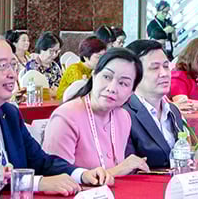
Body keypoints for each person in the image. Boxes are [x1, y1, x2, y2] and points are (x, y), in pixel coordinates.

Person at [0, 35, 109, 195]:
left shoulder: (9, 112)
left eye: (13, 65)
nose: (13, 75)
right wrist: (37, 183)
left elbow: (40, 161)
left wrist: (81, 174)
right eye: (2, 66)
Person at [42, 49, 150, 177]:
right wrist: (118, 170)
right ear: (93, 76)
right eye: (106, 77)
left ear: (131, 92)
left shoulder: (123, 117)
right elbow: (56, 178)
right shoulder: (66, 117)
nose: (112, 88)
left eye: (123, 83)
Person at [123, 39, 185, 168]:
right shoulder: (124, 114)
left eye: (166, 66)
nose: (164, 74)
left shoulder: (173, 110)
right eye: (155, 68)